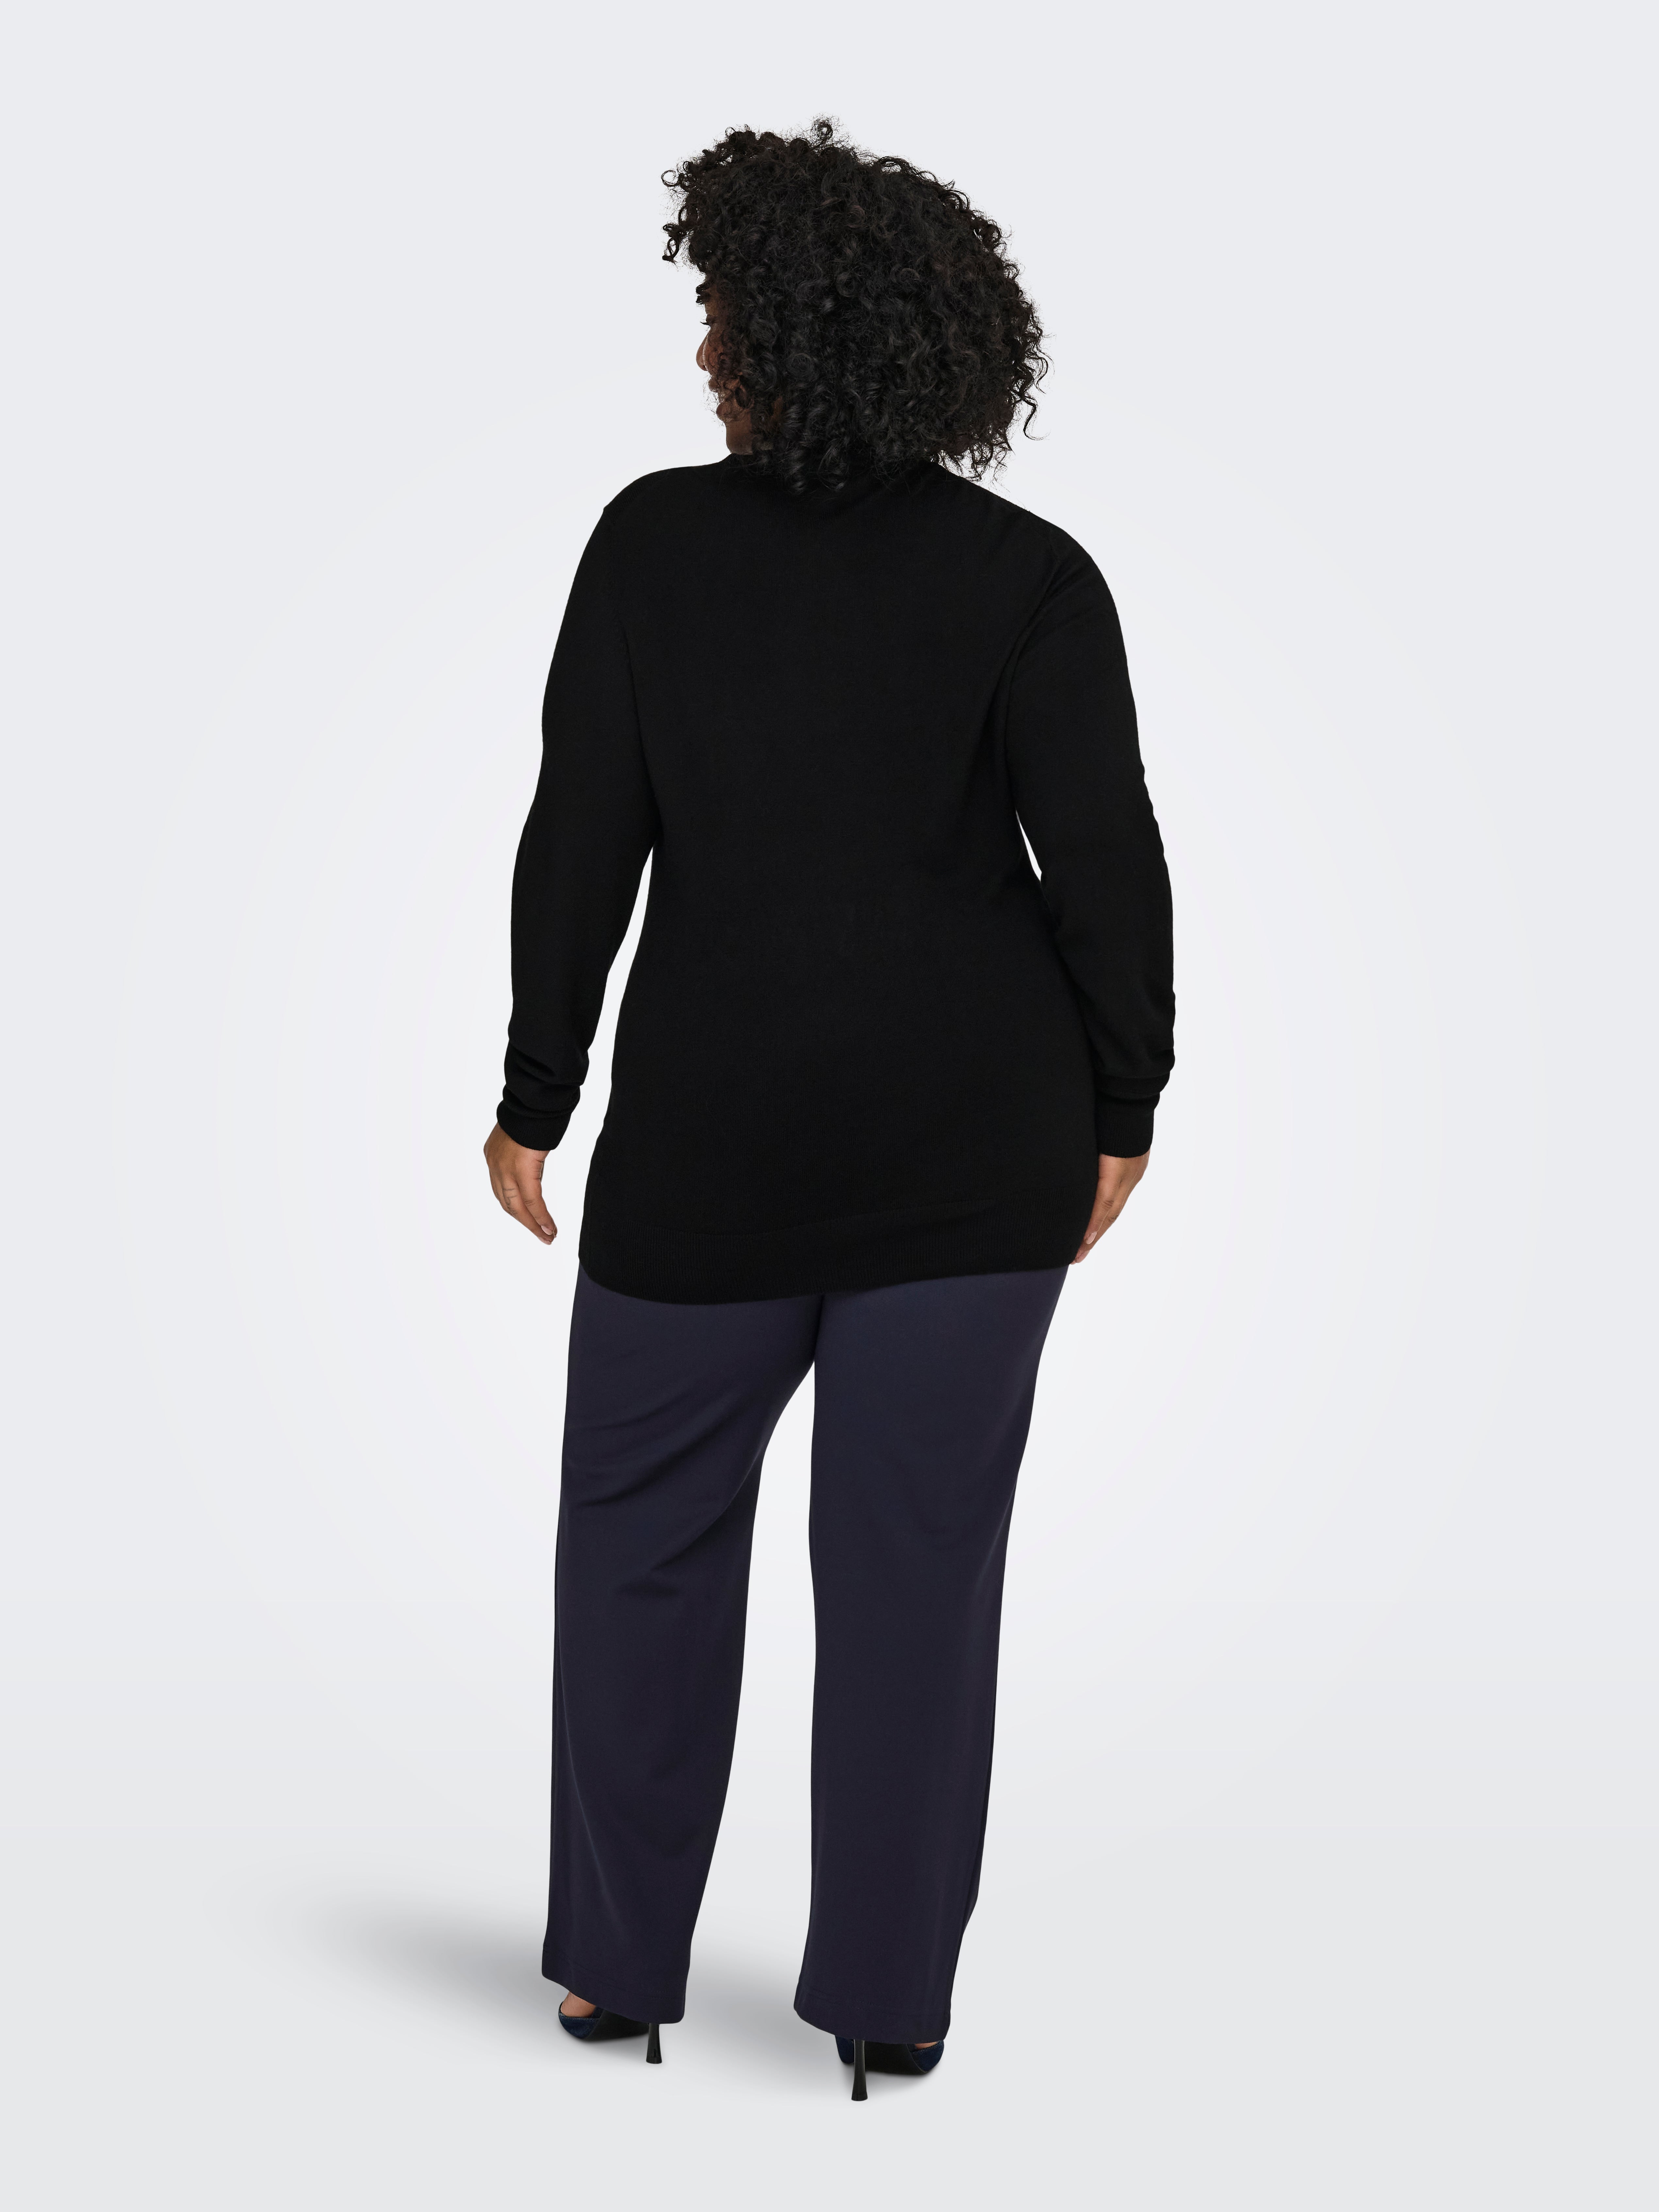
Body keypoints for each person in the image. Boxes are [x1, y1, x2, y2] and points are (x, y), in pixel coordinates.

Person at [483, 119, 1174, 2099]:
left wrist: (538, 1086)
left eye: (724, 308)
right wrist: (1123, 1097)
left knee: (637, 1552)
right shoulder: (1028, 576)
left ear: (792, 328)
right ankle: (888, 2002)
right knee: (914, 1588)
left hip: (707, 1149)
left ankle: (615, 1972)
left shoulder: (651, 544)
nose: (706, 342)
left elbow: (580, 836)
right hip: (975, 1154)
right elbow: (1105, 868)